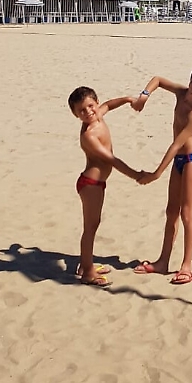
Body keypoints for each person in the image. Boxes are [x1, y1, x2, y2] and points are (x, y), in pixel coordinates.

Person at [131, 60, 192, 285]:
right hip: (179, 161)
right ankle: (163, 262)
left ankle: (187, 265)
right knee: (171, 211)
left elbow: (176, 144)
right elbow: (158, 80)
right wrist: (144, 95)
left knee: (186, 213)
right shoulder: (181, 93)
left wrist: (155, 174)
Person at [68, 86, 139, 287]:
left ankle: (85, 264)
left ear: (96, 103)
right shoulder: (89, 135)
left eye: (91, 106)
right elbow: (111, 159)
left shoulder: (98, 114)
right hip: (90, 184)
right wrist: (136, 175)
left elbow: (109, 105)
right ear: (75, 114)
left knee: (93, 224)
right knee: (90, 228)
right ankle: (88, 273)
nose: (88, 112)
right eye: (81, 110)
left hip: (98, 183)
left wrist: (126, 99)